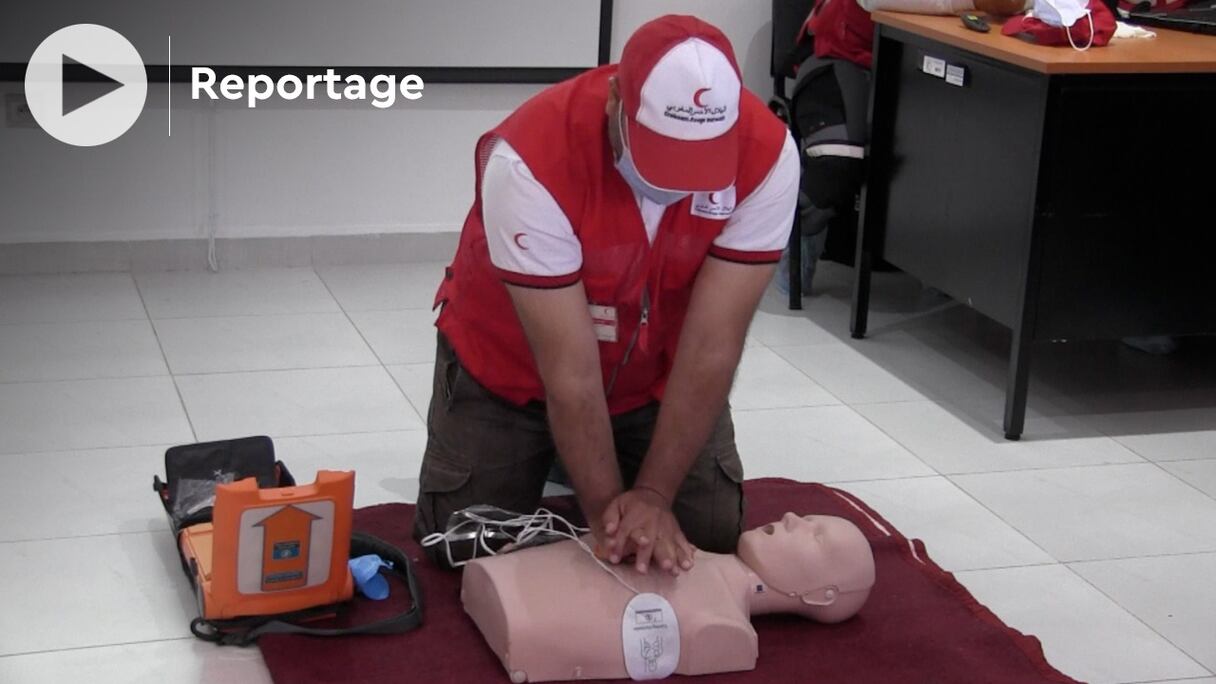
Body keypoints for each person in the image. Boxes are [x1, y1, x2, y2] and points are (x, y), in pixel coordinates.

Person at [413, 14, 800, 575]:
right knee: (461, 550)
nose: (673, 187)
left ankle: (591, 459)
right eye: (662, 154)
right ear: (617, 97)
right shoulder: (530, 160)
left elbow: (714, 345)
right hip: (513, 377)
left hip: (653, 380)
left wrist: (656, 498)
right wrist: (613, 526)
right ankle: (561, 461)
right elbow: (569, 377)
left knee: (709, 538)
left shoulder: (768, 156)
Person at [460, 513, 876, 682]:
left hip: (520, 623)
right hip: (501, 585)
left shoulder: (726, 628)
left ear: (824, 596)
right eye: (807, 517)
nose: (790, 518)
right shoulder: (689, 549)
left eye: (815, 536)